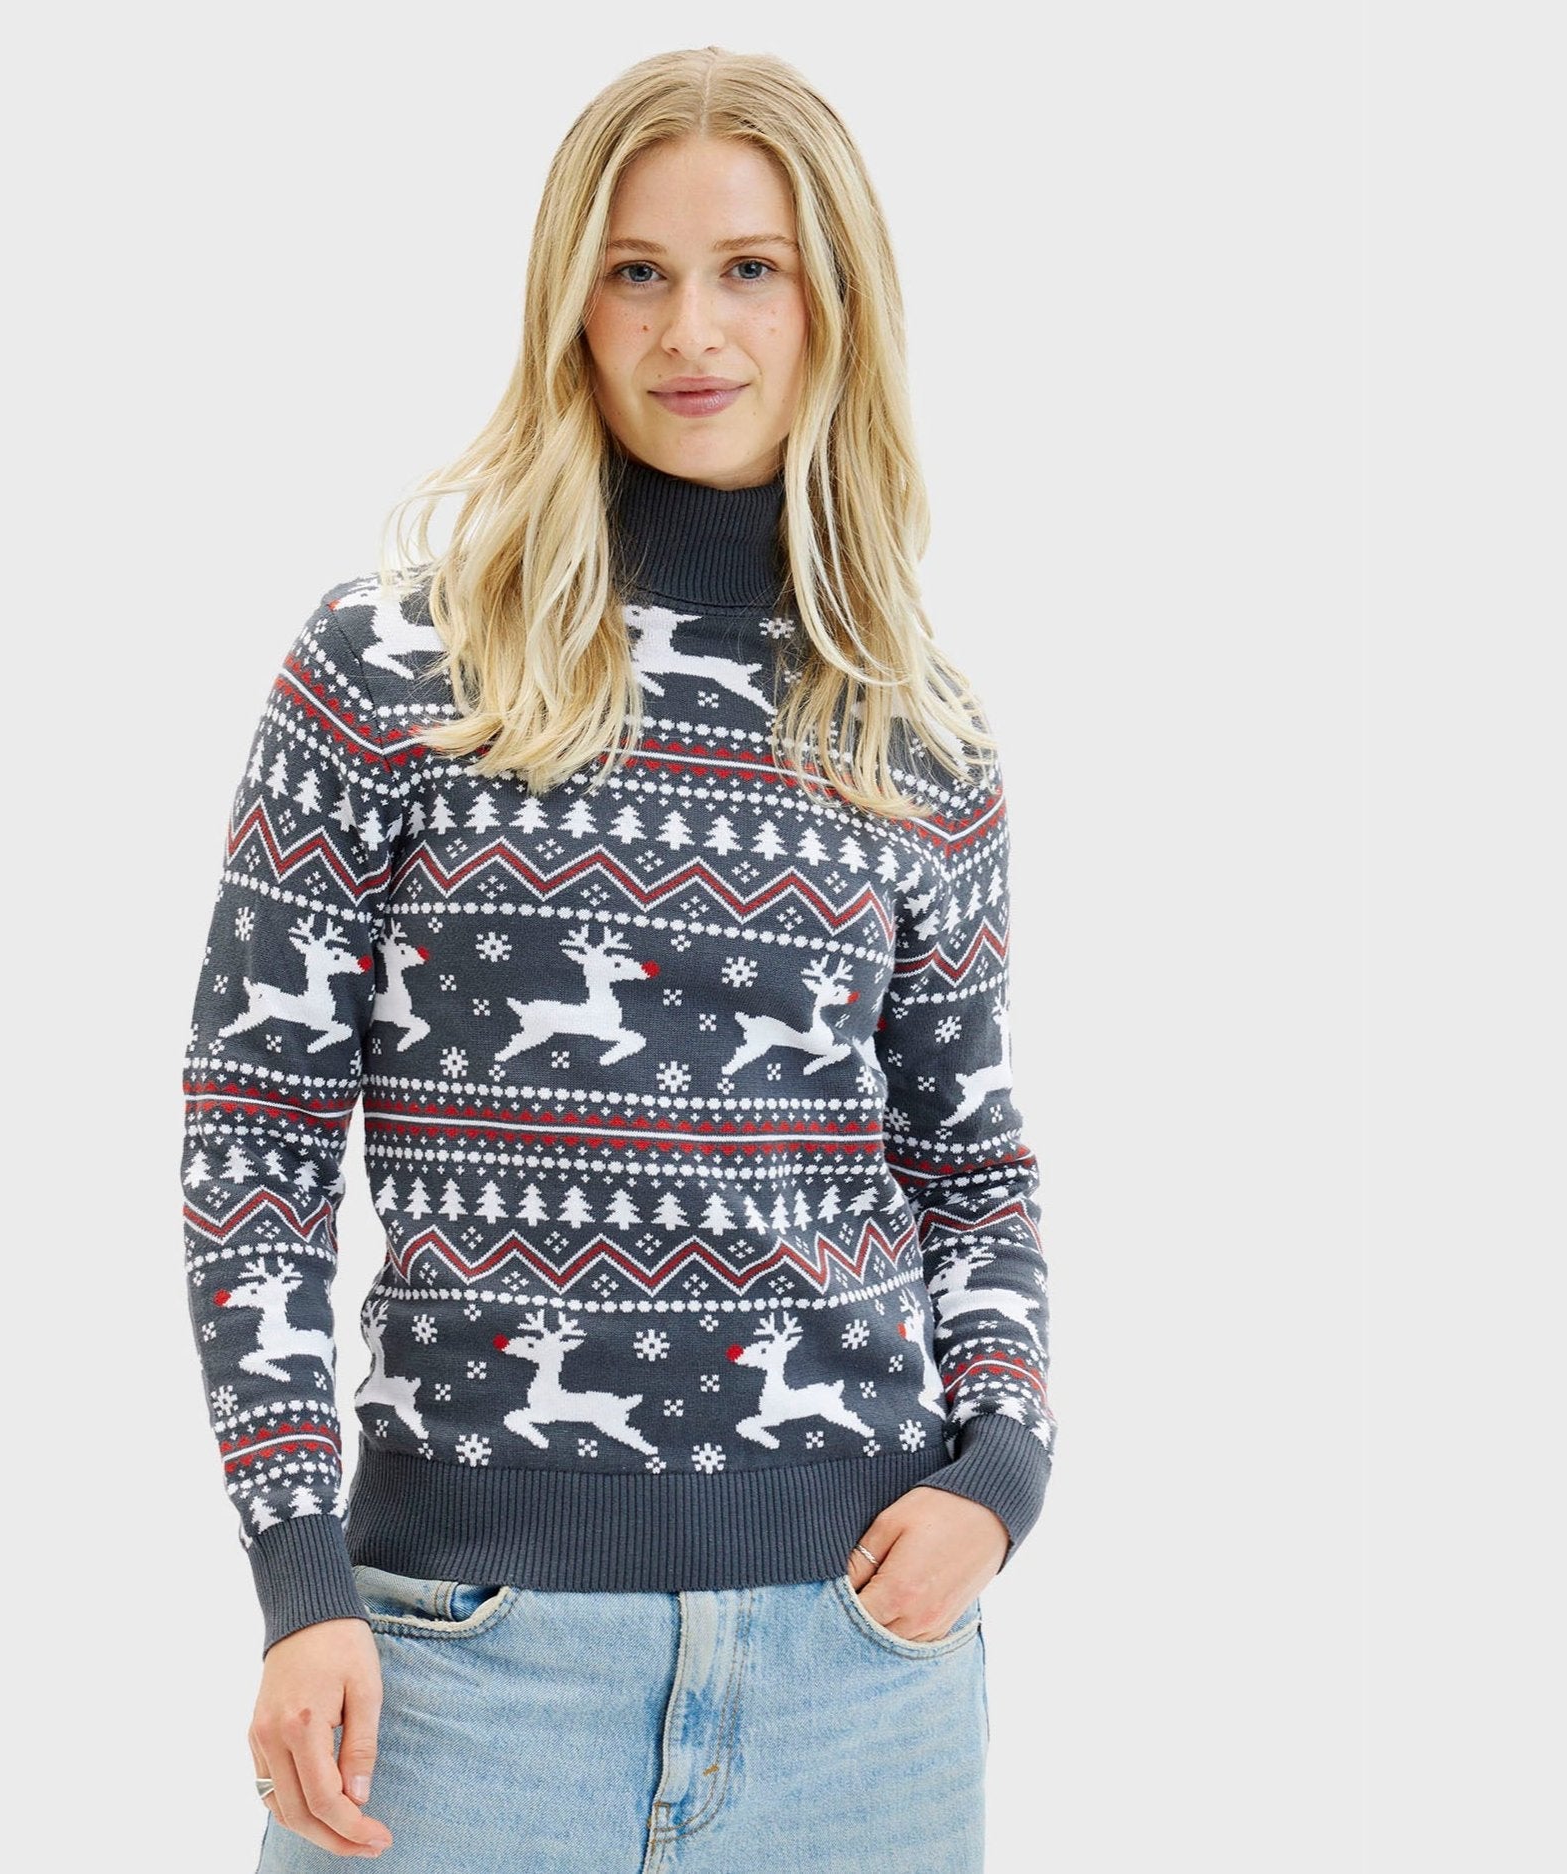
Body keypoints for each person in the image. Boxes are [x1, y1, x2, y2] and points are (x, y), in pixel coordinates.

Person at [179, 46, 1056, 1874]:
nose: (690, 330)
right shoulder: (392, 669)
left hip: (859, 1677)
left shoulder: (918, 734)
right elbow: (255, 1142)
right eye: (635, 270)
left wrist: (999, 1473)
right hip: (459, 1673)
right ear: (567, 305)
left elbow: (966, 1163)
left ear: (834, 303)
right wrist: (294, 1569)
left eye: (751, 268)